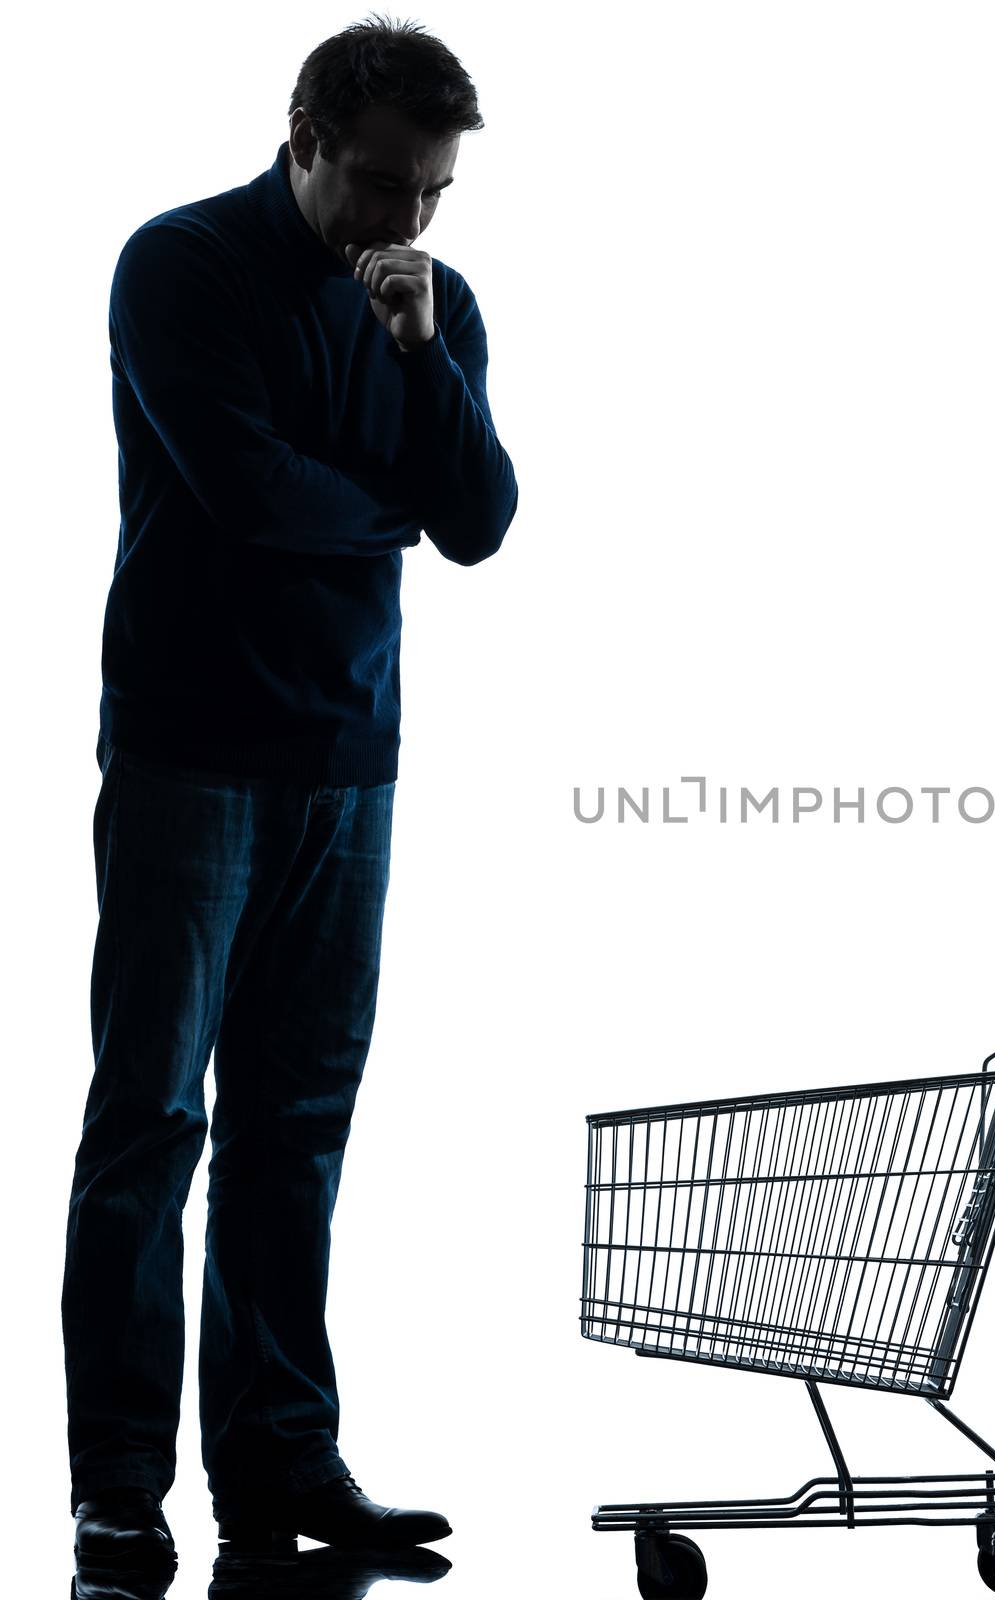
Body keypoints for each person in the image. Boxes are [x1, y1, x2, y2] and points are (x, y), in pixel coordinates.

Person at [63, 14, 518, 1567]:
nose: (407, 223)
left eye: (435, 194)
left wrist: (413, 356)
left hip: (350, 760)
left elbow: (481, 520)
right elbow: (246, 493)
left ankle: (279, 1465)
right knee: (148, 1123)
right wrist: (387, 503)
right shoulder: (178, 264)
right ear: (305, 135)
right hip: (192, 753)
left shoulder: (432, 306)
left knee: (297, 1126)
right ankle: (120, 1483)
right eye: (385, 184)